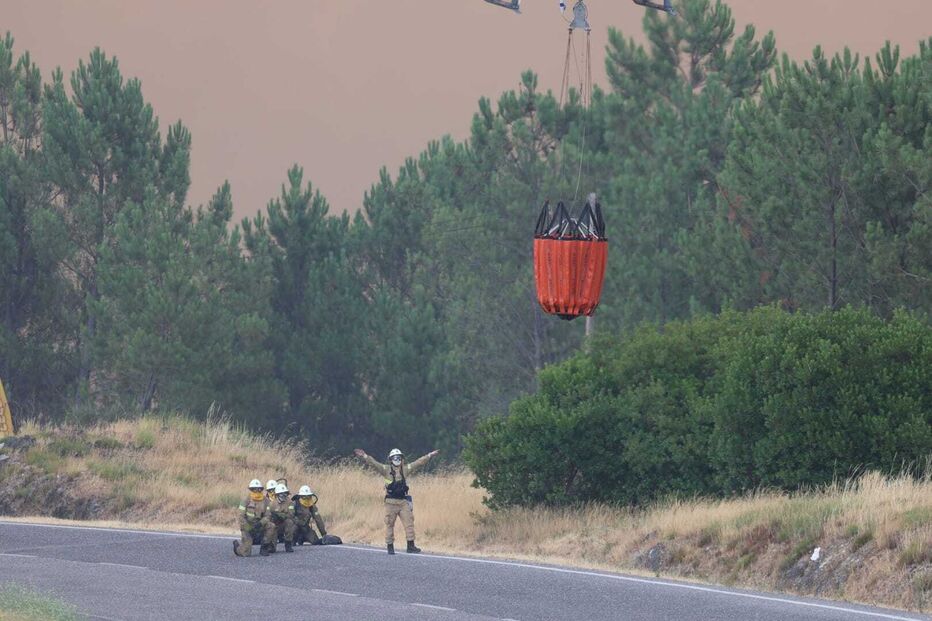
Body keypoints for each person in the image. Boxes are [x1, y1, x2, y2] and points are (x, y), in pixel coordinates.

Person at [353, 447, 439, 555]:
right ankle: (390, 547)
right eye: (395, 457)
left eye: (399, 457)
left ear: (402, 459)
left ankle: (410, 546)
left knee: (409, 523)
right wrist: (365, 456)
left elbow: (418, 463)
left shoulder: (406, 469)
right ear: (391, 459)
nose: (397, 459)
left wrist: (430, 455)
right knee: (389, 525)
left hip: (403, 502)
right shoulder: (385, 469)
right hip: (390, 503)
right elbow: (374, 464)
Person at [233, 479, 276, 557]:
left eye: (258, 489)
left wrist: (260, 523)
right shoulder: (245, 500)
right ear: (251, 489)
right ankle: (237, 548)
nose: (256, 491)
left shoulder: (266, 501)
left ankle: (264, 548)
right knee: (246, 553)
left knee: (271, 526)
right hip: (248, 527)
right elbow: (240, 516)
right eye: (254, 489)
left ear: (261, 489)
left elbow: (268, 515)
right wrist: (248, 527)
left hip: (260, 525)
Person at [267, 482, 296, 553]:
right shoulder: (272, 504)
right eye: (281, 494)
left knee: (290, 522)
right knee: (272, 550)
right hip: (275, 525)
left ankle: (288, 544)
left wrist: (281, 515)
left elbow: (291, 514)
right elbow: (267, 516)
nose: (284, 495)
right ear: (277, 495)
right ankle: (271, 545)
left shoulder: (290, 502)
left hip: (284, 523)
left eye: (285, 493)